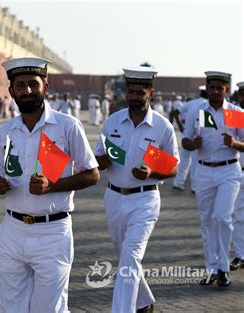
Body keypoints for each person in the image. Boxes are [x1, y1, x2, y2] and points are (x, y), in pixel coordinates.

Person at [0, 57, 99, 313]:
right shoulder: (5, 131)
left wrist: (53, 185)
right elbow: (1, 175)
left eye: (33, 84)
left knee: (48, 308)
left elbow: (92, 174)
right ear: (11, 92)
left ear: (45, 87)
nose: (27, 90)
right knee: (10, 307)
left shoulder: (67, 126)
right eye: (20, 85)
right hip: (12, 230)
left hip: (52, 233)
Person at [95, 66, 179, 313]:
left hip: (145, 200)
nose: (133, 97)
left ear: (150, 93)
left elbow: (173, 168)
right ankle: (144, 302)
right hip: (113, 197)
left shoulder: (162, 127)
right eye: (130, 92)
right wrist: (103, 161)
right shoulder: (113, 121)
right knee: (125, 259)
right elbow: (98, 159)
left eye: (139, 92)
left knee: (130, 257)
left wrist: (152, 173)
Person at [182, 71, 244, 287]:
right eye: (212, 87)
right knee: (207, 220)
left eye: (220, 87)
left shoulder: (236, 113)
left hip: (229, 170)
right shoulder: (196, 112)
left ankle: (224, 268)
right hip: (203, 171)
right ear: (207, 89)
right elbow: (185, 141)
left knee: (222, 217)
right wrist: (193, 144)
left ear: (227, 90)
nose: (215, 91)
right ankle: (211, 268)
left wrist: (235, 144)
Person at [172, 85, 207, 192]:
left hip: (187, 134)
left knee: (184, 160)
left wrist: (181, 126)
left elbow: (175, 112)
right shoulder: (207, 104)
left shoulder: (191, 103)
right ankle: (194, 187)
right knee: (195, 161)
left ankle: (178, 183)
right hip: (197, 134)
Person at [230, 81, 244, 271]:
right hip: (239, 171)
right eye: (242, 94)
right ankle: (241, 254)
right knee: (238, 215)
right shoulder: (234, 115)